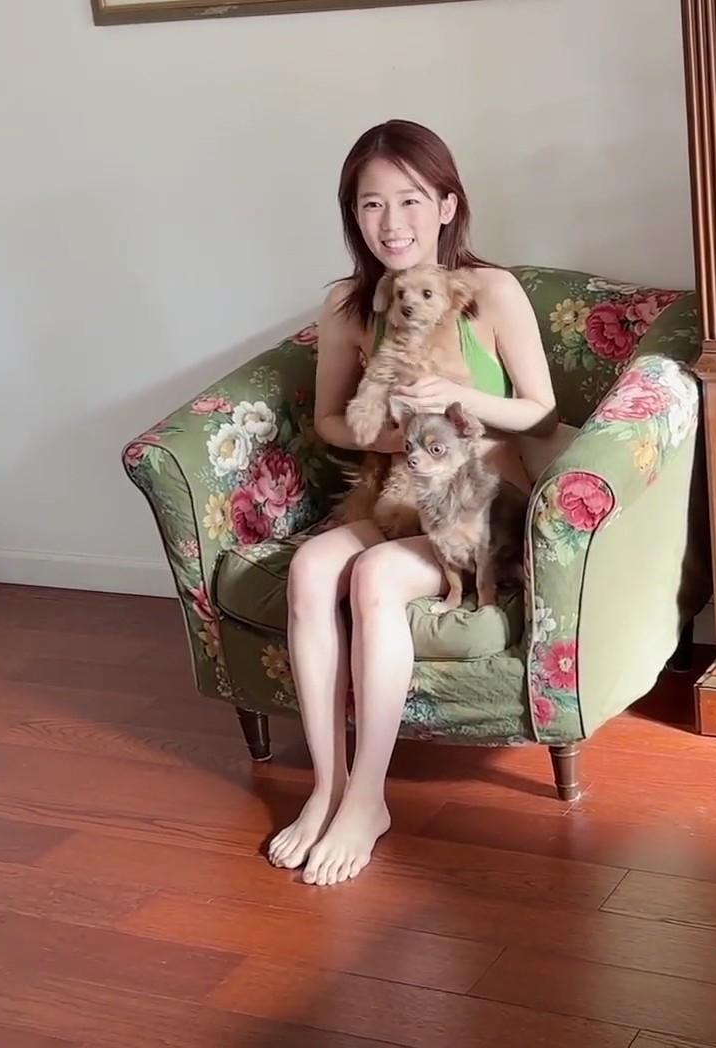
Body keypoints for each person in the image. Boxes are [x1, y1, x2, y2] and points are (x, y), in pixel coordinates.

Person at [266, 119, 557, 886]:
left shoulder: (491, 292)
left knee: (375, 577)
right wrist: (397, 438)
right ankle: (326, 789)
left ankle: (368, 799)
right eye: (371, 205)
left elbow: (541, 412)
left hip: (477, 506)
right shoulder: (349, 304)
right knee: (310, 569)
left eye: (410, 200)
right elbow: (332, 420)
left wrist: (459, 404)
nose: (391, 223)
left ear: (447, 205)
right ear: (353, 215)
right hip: (398, 495)